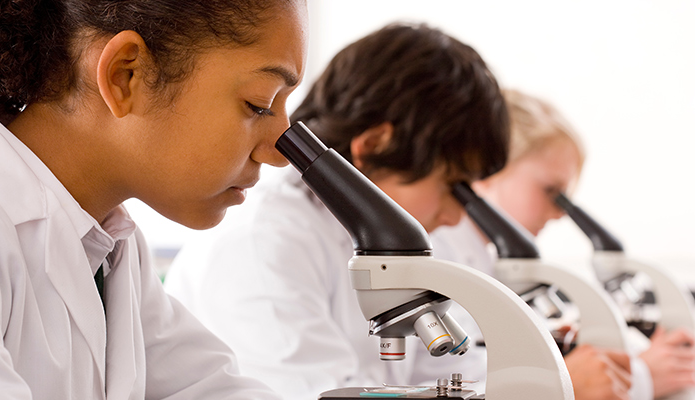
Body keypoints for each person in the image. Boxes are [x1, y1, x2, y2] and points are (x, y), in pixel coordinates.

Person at [164, 22, 630, 399]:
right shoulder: (262, 244)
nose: (455, 217)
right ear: (375, 146)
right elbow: (322, 394)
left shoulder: (392, 247)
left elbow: (455, 370)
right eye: (452, 187)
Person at [0, 0, 306, 398]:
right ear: (125, 75)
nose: (279, 154)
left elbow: (209, 388)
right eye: (259, 104)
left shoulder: (107, 243)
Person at [433, 88, 695, 399]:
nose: (560, 213)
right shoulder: (441, 260)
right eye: (551, 191)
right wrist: (640, 378)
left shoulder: (483, 262)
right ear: (487, 170)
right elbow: (457, 379)